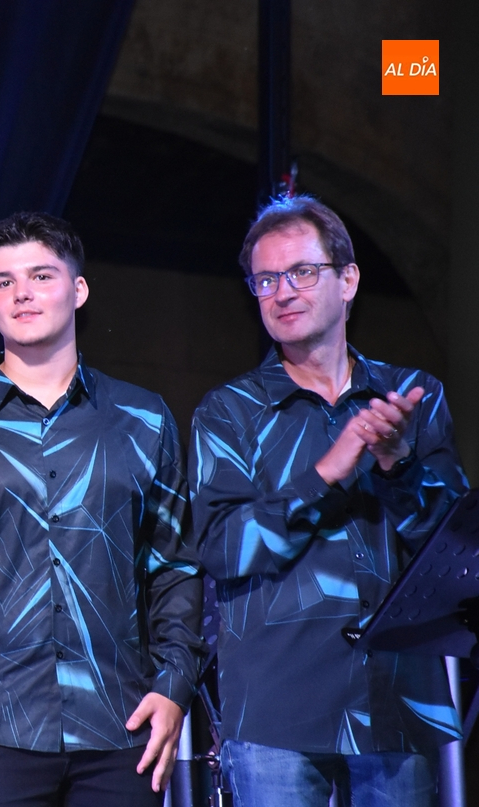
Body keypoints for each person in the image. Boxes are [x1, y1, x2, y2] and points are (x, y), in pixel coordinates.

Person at [0, 212, 204, 807]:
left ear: (78, 290)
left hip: (121, 724)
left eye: (41, 276)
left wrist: (174, 686)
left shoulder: (143, 419)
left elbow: (175, 566)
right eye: (4, 282)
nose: (22, 293)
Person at [188, 195, 467, 807]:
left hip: (397, 700)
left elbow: (454, 548)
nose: (282, 292)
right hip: (277, 711)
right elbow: (221, 548)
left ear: (348, 280)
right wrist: (326, 475)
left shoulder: (410, 396)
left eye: (302, 272)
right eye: (266, 280)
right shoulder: (229, 412)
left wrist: (397, 461)